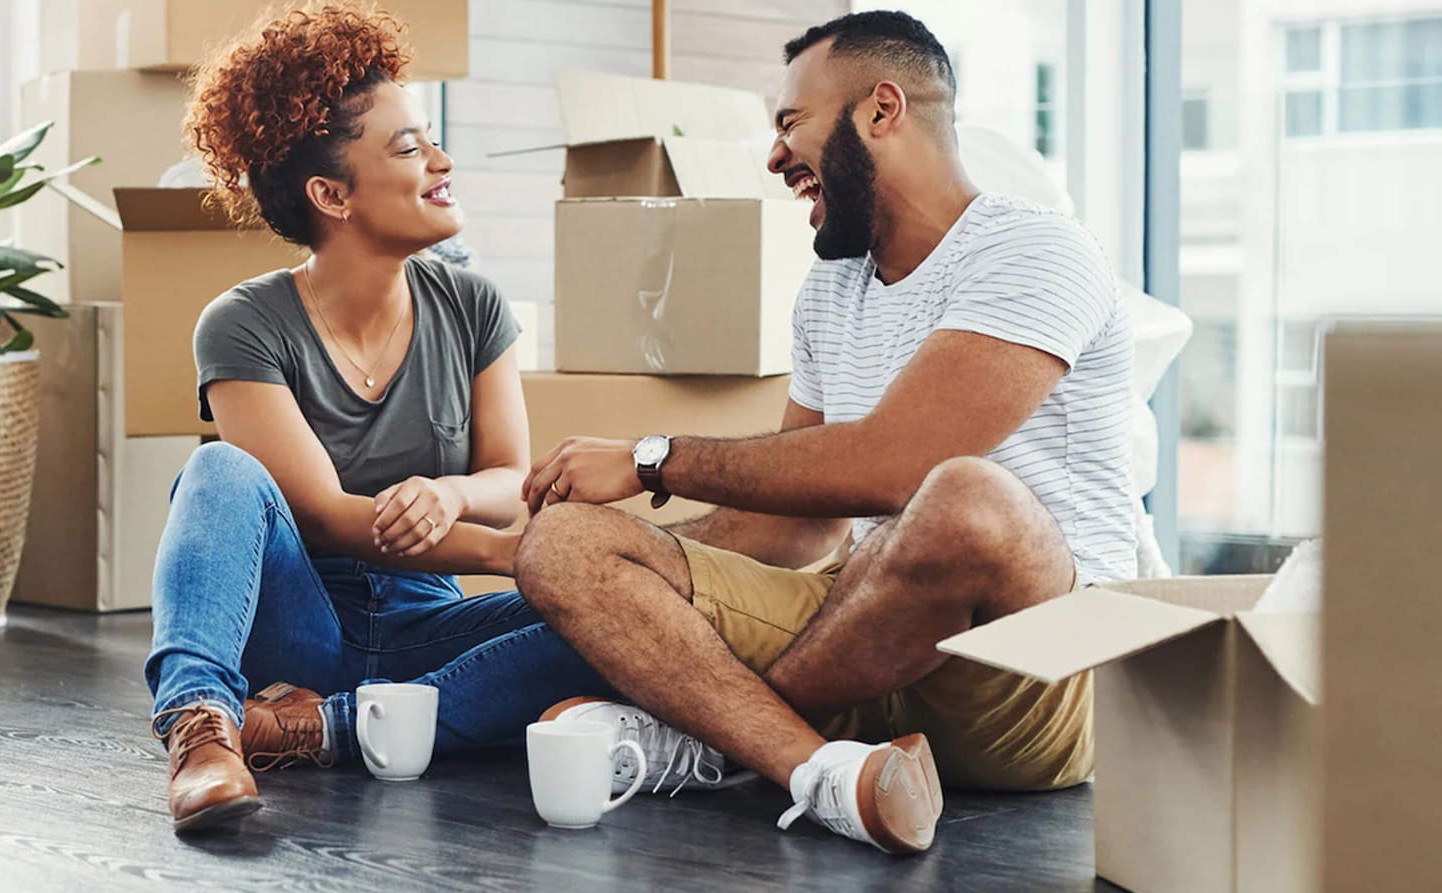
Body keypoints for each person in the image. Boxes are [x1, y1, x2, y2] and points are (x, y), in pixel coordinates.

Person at [512, 10, 1137, 856]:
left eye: (789, 124)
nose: (775, 156)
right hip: (865, 638)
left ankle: (722, 743)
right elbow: (790, 528)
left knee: (965, 497)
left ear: (882, 111)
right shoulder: (830, 291)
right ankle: (821, 770)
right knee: (563, 546)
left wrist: (652, 459)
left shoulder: (1035, 250)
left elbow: (896, 469)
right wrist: (620, 558)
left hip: (1040, 665)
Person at [144, 3, 610, 833]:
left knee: (620, 621)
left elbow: (510, 481)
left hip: (426, 618)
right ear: (332, 194)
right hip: (299, 623)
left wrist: (456, 496)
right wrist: (514, 555)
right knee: (216, 469)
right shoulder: (241, 323)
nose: (441, 160)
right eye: (408, 148)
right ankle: (202, 727)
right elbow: (323, 517)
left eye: (428, 138)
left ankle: (312, 727)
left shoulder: (473, 304)